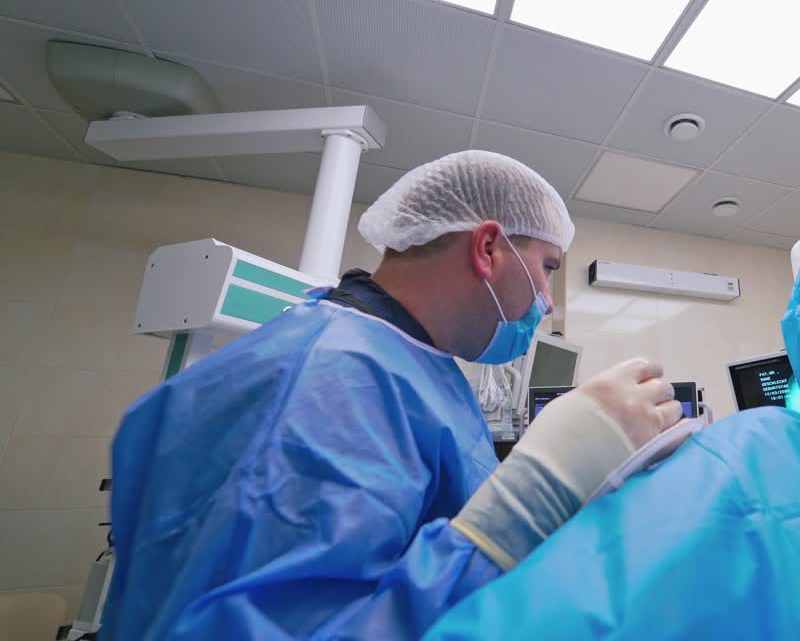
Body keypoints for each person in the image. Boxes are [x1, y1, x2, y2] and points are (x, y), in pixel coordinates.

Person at [101, 150, 684, 640]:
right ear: (487, 248)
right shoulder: (328, 378)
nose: (550, 301)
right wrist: (532, 496)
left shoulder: (412, 368)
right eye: (549, 266)